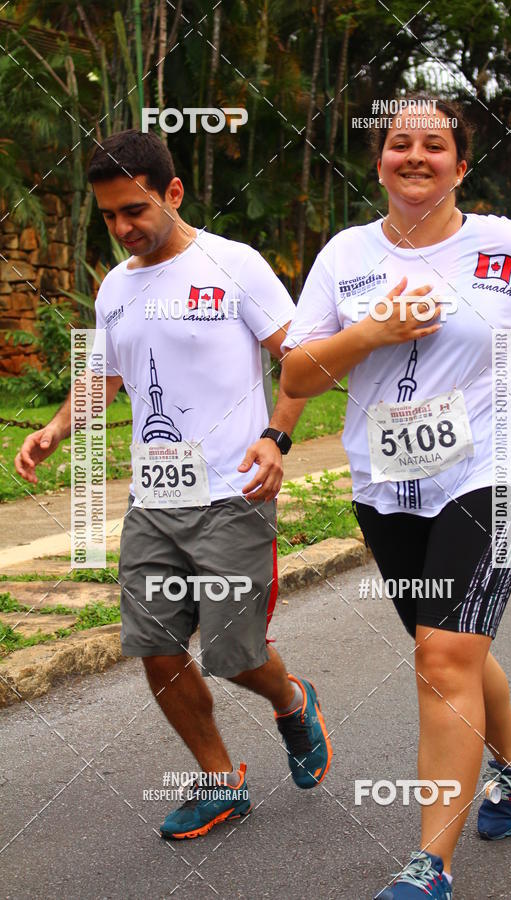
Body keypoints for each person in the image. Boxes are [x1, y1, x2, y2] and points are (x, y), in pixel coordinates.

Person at [281, 95, 511, 898]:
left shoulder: (506, 244)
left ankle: (430, 868)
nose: (414, 157)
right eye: (397, 144)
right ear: (379, 160)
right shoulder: (345, 255)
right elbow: (297, 373)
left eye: (434, 144)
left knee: (442, 655)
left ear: (460, 162)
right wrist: (372, 333)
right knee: (446, 645)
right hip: (387, 487)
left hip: (495, 472)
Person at [15, 129, 332, 839]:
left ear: (173, 193)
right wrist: (58, 428)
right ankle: (220, 780)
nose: (124, 228)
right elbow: (106, 376)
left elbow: (301, 360)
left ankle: (291, 701)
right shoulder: (116, 287)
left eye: (134, 210)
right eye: (109, 217)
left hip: (232, 492)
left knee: (235, 654)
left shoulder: (234, 264)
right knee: (156, 646)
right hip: (154, 500)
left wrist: (276, 436)